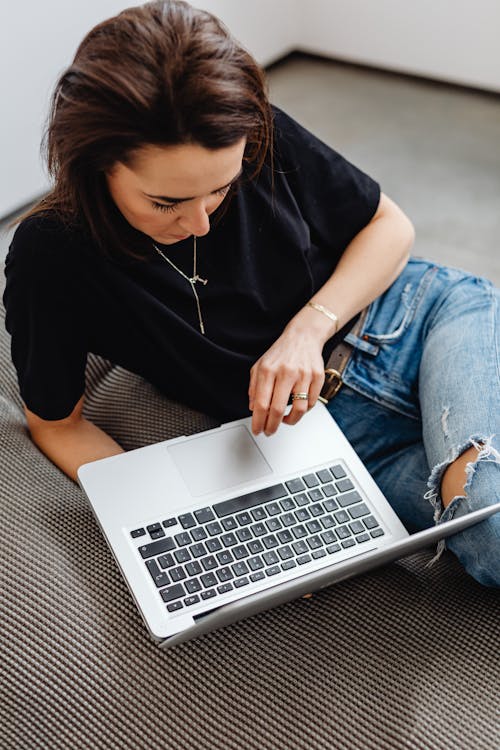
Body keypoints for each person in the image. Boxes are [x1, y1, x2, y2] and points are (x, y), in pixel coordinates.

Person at [3, 0, 499, 587]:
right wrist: (168, 518)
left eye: (221, 188)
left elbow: (389, 226)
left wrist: (307, 330)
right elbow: (57, 423)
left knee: (484, 499)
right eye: (166, 203)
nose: (202, 223)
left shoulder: (260, 132)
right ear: (95, 166)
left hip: (419, 317)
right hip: (321, 439)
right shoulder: (51, 256)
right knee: (490, 542)